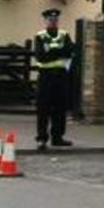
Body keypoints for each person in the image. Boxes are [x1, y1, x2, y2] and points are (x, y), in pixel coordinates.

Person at [33, 8, 74, 151]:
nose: (53, 22)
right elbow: (40, 56)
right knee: (43, 108)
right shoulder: (40, 36)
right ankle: (42, 139)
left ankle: (57, 137)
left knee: (60, 108)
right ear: (45, 21)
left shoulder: (64, 34)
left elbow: (70, 51)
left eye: (55, 19)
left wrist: (51, 52)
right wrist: (59, 52)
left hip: (61, 75)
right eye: (50, 20)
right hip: (45, 76)